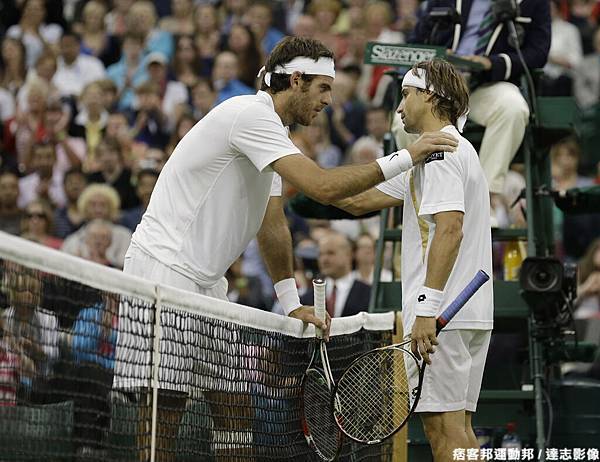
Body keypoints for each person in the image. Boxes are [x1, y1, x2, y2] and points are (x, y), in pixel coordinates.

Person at [114, 36, 458, 461]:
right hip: (162, 272)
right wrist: (407, 156)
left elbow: (272, 223)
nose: (329, 100)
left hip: (208, 285)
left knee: (235, 406)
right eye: (322, 89)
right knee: (163, 414)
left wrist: (290, 303)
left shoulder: (271, 135)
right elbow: (323, 187)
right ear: (295, 80)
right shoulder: (247, 115)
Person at [332, 59, 493, 462]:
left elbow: (449, 229)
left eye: (406, 94)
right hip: (465, 313)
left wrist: (428, 309)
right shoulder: (440, 153)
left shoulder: (440, 151)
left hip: (443, 317)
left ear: (430, 96)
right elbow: (356, 200)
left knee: (444, 434)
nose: (399, 108)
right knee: (460, 433)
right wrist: (295, 178)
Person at [393, 0, 551, 226]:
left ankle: (483, 200)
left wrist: (491, 63)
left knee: (513, 107)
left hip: (487, 83)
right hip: (440, 85)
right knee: (401, 123)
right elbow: (415, 43)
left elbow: (538, 52)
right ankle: (424, 200)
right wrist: (436, 58)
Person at [300, 231, 372, 318]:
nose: (324, 259)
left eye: (331, 253)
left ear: (349, 255)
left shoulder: (369, 294)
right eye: (320, 254)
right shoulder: (307, 298)